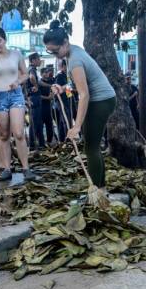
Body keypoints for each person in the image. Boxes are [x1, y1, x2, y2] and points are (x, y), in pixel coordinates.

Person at [45, 20, 116, 187]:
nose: (56, 56)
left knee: (90, 148)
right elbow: (78, 84)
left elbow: (84, 95)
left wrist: (77, 126)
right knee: (94, 147)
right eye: (51, 53)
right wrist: (63, 88)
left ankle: (96, 190)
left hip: (100, 101)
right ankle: (101, 187)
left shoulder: (75, 59)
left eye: (56, 51)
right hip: (103, 99)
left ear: (65, 42)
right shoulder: (73, 52)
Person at [0, 27, 36, 181]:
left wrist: (17, 81)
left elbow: (25, 74)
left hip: (15, 95)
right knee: (4, 135)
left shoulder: (16, 54)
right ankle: (7, 169)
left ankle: (26, 168)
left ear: (5, 40)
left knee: (19, 133)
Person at [26, 52, 45, 150]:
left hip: (34, 98)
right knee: (34, 122)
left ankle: (39, 144)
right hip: (34, 98)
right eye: (38, 59)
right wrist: (36, 86)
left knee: (37, 121)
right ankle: (33, 145)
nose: (39, 61)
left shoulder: (31, 69)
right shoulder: (32, 69)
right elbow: (32, 78)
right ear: (33, 60)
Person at [53, 59, 70, 142]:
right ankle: (67, 140)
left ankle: (63, 140)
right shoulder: (59, 76)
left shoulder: (66, 75)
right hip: (61, 102)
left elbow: (68, 90)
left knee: (63, 121)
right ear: (64, 66)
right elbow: (58, 89)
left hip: (67, 100)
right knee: (65, 121)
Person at [40, 67, 55, 145]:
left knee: (50, 124)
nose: (46, 74)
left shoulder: (51, 81)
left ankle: (49, 141)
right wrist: (48, 98)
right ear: (41, 74)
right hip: (42, 106)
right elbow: (38, 96)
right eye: (45, 73)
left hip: (49, 106)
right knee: (41, 125)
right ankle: (41, 143)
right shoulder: (39, 83)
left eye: (47, 72)